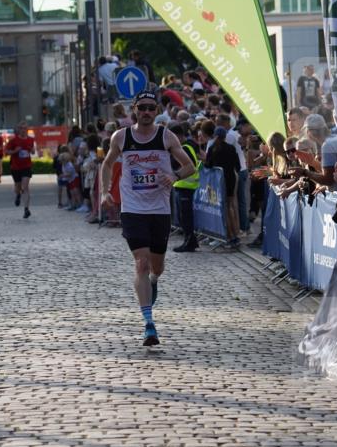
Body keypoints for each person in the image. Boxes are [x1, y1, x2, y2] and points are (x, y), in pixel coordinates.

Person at [100, 90, 195, 347]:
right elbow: (107, 164)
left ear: (156, 110)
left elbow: (190, 166)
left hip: (159, 210)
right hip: (132, 209)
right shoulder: (121, 137)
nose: (146, 112)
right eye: (142, 107)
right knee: (140, 263)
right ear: (134, 109)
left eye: (151, 108)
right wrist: (105, 192)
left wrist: (174, 177)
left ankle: (153, 282)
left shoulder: (166, 136)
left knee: (157, 267)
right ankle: (149, 325)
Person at [205, 126, 241, 250]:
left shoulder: (212, 148)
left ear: (215, 136)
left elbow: (207, 165)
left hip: (218, 182)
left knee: (223, 209)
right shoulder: (231, 148)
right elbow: (238, 166)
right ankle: (234, 235)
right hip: (230, 180)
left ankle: (229, 236)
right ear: (225, 136)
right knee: (230, 207)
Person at [169, 122, 201, 253]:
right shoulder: (183, 147)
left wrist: (177, 175)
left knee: (186, 218)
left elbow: (191, 166)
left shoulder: (186, 148)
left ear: (178, 136)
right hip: (180, 186)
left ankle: (190, 242)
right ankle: (190, 241)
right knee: (183, 218)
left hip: (186, 186)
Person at [6, 122, 34, 219]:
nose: (23, 130)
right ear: (19, 130)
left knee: (25, 187)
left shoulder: (31, 139)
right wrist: (14, 151)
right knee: (18, 187)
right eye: (21, 128)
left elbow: (33, 151)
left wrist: (31, 150)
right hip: (16, 167)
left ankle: (26, 209)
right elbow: (6, 152)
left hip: (27, 166)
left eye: (25, 128)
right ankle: (18, 195)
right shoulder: (13, 140)